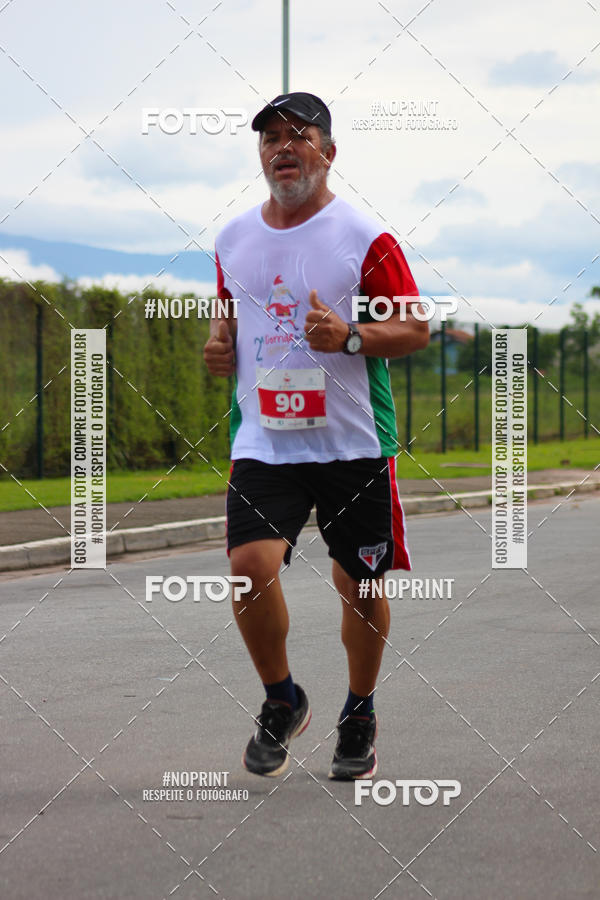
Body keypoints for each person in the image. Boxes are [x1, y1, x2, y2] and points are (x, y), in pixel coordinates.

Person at [203, 91, 429, 780]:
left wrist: (352, 335)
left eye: (299, 135)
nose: (283, 147)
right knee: (249, 569)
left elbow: (415, 328)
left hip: (351, 442)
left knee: (359, 585)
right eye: (271, 137)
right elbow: (230, 325)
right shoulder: (233, 238)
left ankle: (358, 710)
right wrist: (219, 348)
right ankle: (282, 698)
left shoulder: (364, 239)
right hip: (266, 441)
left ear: (328, 153)